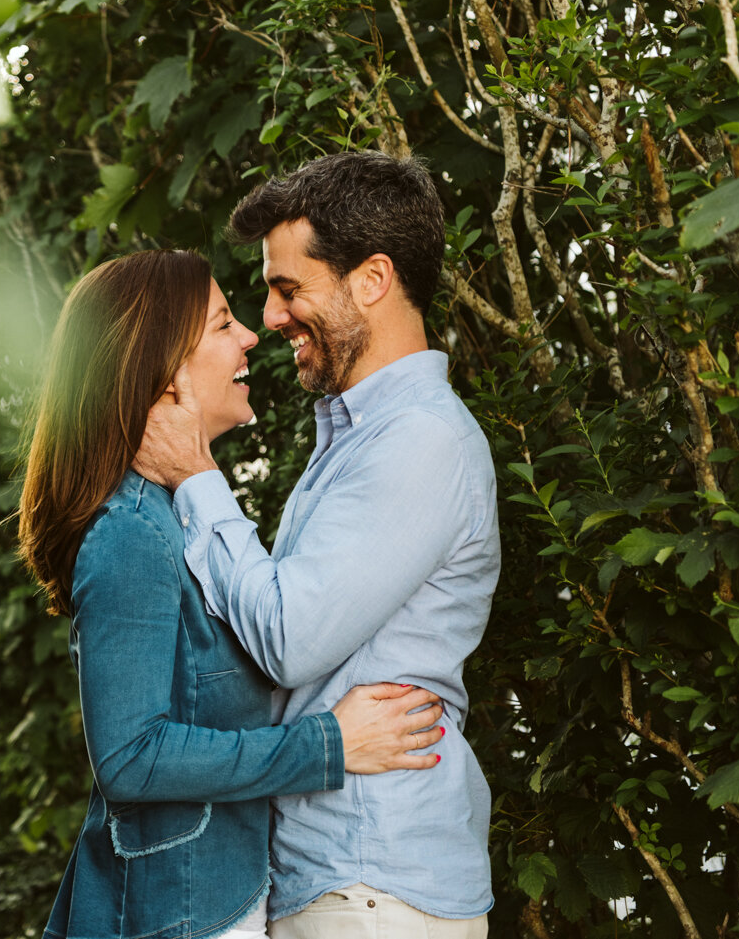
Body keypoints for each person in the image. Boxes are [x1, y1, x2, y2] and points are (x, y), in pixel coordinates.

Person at [17, 249, 449, 939]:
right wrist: (326, 744)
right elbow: (129, 756)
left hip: (219, 901)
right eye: (222, 324)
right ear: (161, 371)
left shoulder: (176, 512)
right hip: (177, 913)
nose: (251, 334)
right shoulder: (130, 533)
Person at [132, 152, 500, 938]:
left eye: (287, 288)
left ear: (371, 279)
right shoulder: (356, 439)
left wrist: (196, 474)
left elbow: (290, 638)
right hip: (340, 881)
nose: (268, 317)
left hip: (374, 886)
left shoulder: (421, 442)